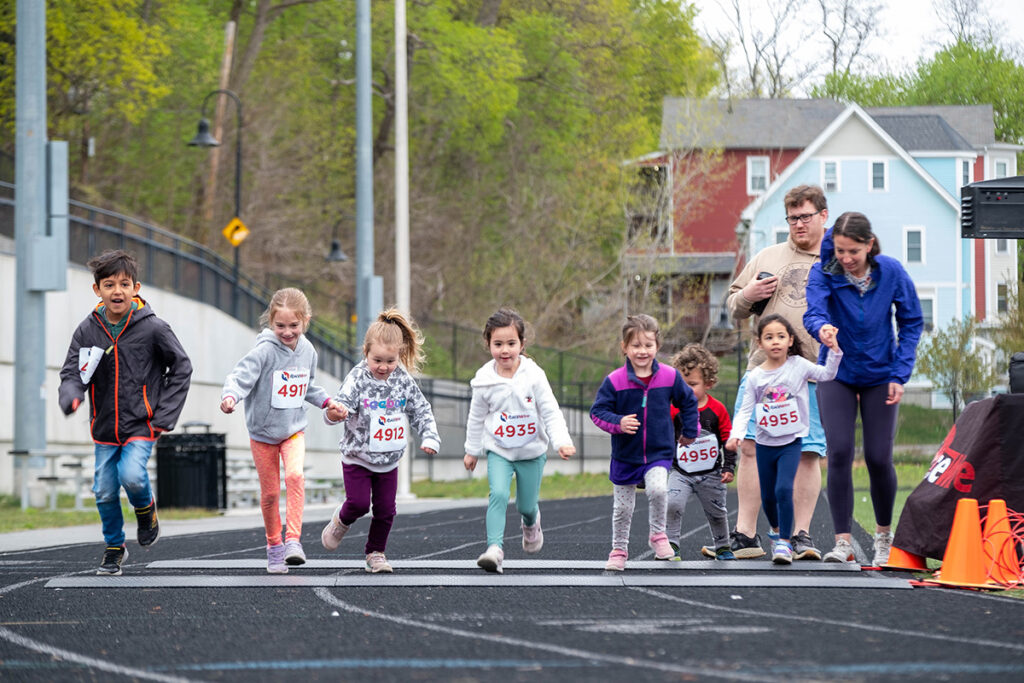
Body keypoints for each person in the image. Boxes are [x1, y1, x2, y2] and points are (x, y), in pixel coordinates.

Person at [58, 249, 192, 576]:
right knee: (104, 491)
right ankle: (115, 546)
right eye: (108, 284)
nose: (116, 291)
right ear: (97, 290)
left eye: (124, 284)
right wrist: (71, 397)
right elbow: (72, 373)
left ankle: (146, 510)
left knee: (131, 475)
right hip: (104, 427)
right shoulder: (87, 331)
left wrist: (163, 416)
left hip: (141, 423)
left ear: (136, 288)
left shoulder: (154, 328)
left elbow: (182, 367)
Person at [804, 212, 923, 566]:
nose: (846, 258)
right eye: (840, 250)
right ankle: (843, 543)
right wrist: (822, 329)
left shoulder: (891, 272)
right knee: (839, 451)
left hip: (880, 374)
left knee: (877, 457)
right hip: (837, 371)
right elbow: (813, 312)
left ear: (869, 245)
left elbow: (911, 321)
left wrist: (899, 374)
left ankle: (884, 538)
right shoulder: (825, 272)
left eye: (853, 251)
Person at [725, 184, 830, 560]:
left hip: (812, 374)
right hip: (763, 373)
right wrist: (748, 294)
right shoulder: (769, 255)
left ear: (823, 215)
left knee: (807, 453)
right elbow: (734, 306)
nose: (798, 224)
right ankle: (745, 534)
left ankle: (801, 535)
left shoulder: (839, 257)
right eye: (792, 217)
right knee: (751, 448)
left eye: (805, 216)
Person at [220, 288, 337, 574]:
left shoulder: (308, 351)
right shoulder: (264, 351)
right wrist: (231, 396)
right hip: (262, 434)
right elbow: (241, 376)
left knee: (296, 476)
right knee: (270, 494)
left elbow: (306, 385)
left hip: (293, 429)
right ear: (271, 322)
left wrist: (327, 402)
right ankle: (274, 546)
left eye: (293, 326)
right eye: (280, 326)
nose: (287, 332)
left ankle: (293, 541)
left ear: (305, 321)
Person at [320, 308, 440, 573]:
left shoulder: (403, 380)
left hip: (388, 459)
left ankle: (376, 553)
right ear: (366, 352)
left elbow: (420, 409)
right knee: (359, 503)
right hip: (358, 457)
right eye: (377, 360)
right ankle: (341, 521)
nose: (384, 367)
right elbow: (341, 405)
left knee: (386, 510)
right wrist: (334, 414)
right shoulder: (357, 378)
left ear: (399, 355)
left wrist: (430, 435)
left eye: (390, 360)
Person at [463, 308, 576, 574]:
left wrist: (561, 441)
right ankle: (494, 549)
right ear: (488, 344)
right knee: (498, 494)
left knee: (526, 505)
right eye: (498, 344)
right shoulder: (484, 381)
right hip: (499, 450)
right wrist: (471, 450)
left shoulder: (534, 376)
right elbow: (476, 418)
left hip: (531, 452)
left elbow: (550, 410)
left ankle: (531, 523)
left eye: (511, 344)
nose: (505, 350)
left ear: (522, 345)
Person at [726, 314, 842, 564]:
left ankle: (785, 543)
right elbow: (746, 409)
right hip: (766, 443)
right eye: (769, 337)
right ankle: (778, 531)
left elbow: (827, 374)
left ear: (790, 340)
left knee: (783, 489)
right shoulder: (756, 376)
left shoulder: (799, 365)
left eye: (781, 336)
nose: (775, 342)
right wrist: (736, 434)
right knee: (769, 498)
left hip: (791, 442)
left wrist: (833, 350)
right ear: (760, 343)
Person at [590, 314, 699, 571]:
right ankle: (619, 550)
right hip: (625, 455)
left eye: (648, 345)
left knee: (659, 490)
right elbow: (597, 412)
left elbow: (688, 401)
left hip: (658, 452)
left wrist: (690, 429)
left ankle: (658, 536)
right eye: (636, 345)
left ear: (657, 346)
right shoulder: (615, 381)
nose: (642, 351)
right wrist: (618, 423)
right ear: (624, 347)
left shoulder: (670, 377)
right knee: (622, 509)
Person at [665, 343, 737, 561]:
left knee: (716, 512)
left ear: (709, 384)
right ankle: (671, 544)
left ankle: (723, 545)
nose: (685, 390)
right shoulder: (673, 409)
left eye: (692, 384)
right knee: (672, 504)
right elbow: (666, 437)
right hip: (680, 472)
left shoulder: (718, 410)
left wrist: (729, 466)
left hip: (711, 473)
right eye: (681, 384)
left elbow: (727, 439)